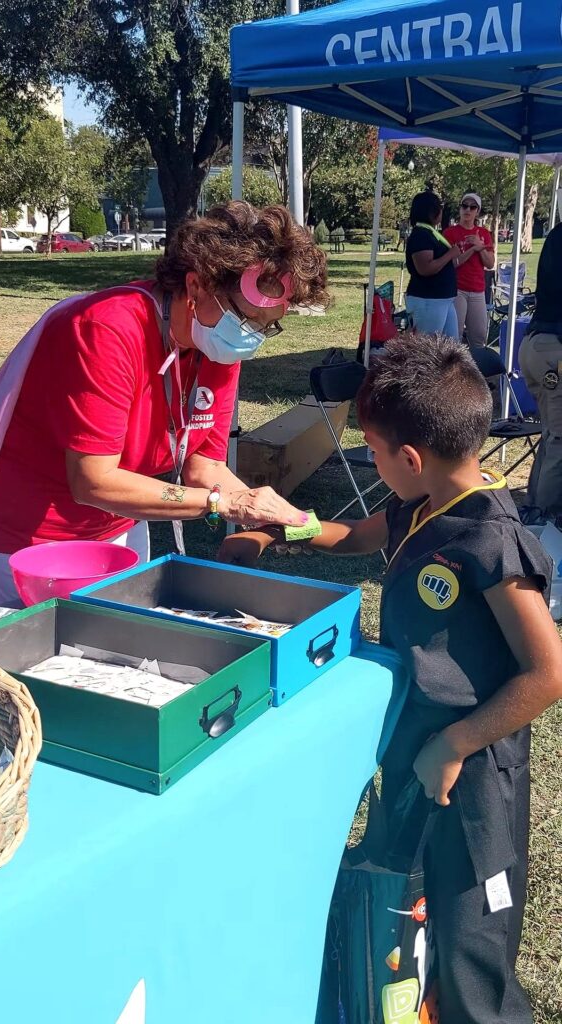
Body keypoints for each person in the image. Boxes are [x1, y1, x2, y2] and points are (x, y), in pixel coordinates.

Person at [219, 335, 562, 1024]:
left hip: (472, 774)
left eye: (372, 452)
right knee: (406, 899)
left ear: (410, 457)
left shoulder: (491, 540)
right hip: (413, 745)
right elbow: (358, 537)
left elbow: (548, 671)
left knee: (472, 940)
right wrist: (288, 526)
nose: (370, 463)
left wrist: (456, 744)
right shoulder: (420, 500)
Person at [0, 201, 328, 606]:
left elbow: (205, 464)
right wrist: (223, 503)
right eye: (246, 318)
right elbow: (93, 481)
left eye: (265, 326)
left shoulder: (214, 343)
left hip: (119, 533)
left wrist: (272, 514)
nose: (251, 335)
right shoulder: (107, 329)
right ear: (197, 286)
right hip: (30, 544)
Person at [518, 222, 562, 521]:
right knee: (559, 441)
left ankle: (535, 509)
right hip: (552, 349)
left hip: (537, 344)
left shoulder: (557, 234)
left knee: (551, 437)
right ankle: (544, 519)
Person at [404, 191, 461, 339]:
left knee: (451, 349)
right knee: (426, 349)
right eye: (439, 207)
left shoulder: (431, 233)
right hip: (428, 300)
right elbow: (425, 268)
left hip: (444, 298)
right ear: (432, 211)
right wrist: (450, 254)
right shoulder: (421, 235)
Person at [444, 192, 495, 348]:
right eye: (464, 206)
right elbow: (450, 263)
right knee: (454, 338)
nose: (468, 210)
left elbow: (490, 264)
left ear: (477, 211)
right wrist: (472, 249)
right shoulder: (450, 233)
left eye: (472, 207)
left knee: (479, 337)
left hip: (478, 290)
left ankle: (478, 370)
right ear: (459, 208)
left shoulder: (484, 234)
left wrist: (481, 248)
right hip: (457, 289)